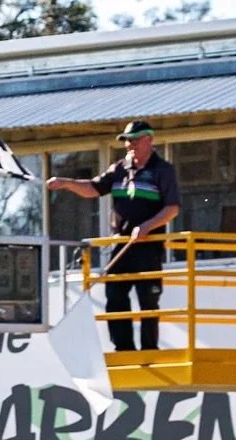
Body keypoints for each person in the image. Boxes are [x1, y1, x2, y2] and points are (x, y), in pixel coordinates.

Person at [47, 119, 180, 351]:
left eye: (135, 140)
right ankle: (123, 347)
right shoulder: (119, 169)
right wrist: (66, 183)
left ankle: (149, 349)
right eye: (127, 141)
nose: (130, 145)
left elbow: (172, 208)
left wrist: (148, 226)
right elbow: (94, 188)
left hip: (148, 245)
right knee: (115, 293)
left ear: (149, 140)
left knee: (148, 297)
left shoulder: (162, 171)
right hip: (122, 243)